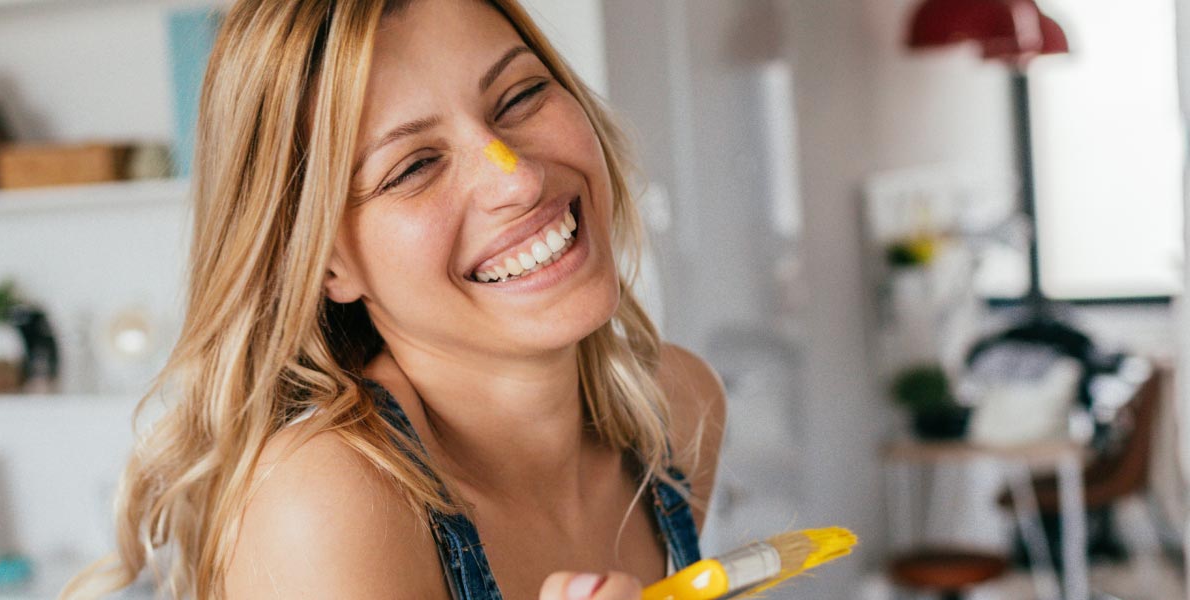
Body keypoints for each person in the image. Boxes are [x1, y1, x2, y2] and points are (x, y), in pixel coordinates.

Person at [65, 0, 725, 598]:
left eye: (521, 95)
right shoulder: (329, 505)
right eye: (413, 166)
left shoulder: (679, 408)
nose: (519, 180)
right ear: (325, 264)